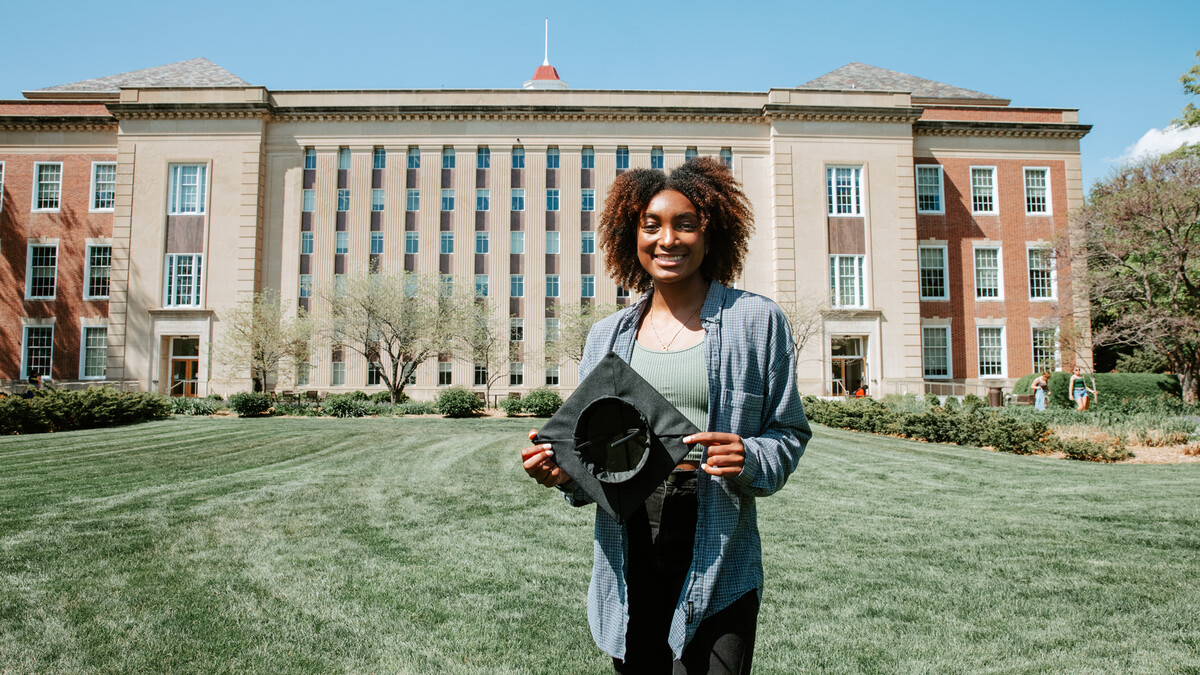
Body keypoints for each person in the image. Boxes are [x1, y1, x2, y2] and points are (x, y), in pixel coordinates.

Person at [521, 157, 811, 674]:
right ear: (630, 236)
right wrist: (563, 472)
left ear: (710, 233)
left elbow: (788, 430)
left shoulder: (756, 321)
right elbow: (593, 450)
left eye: (685, 224)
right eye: (651, 226)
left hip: (719, 533)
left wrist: (750, 455)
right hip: (629, 537)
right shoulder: (607, 336)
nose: (667, 239)